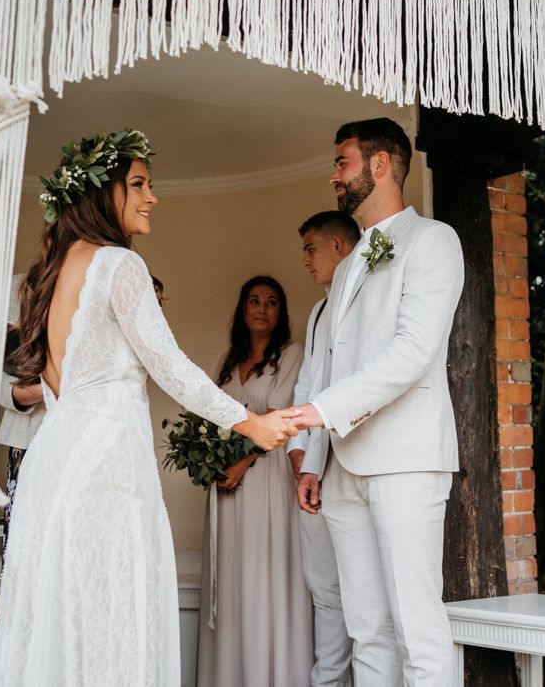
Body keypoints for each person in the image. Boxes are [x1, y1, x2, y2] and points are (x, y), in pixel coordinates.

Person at [0, 129, 297, 686]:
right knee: (110, 620)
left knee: (60, 622)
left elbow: (57, 389)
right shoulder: (118, 265)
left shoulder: (52, 274)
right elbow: (170, 365)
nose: (152, 197)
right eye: (139, 185)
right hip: (105, 467)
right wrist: (250, 421)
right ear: (104, 193)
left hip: (51, 464)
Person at [291, 118, 465, 686]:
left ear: (380, 165)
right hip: (343, 469)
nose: (334, 175)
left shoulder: (433, 241)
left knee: (417, 626)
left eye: (343, 163)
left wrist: (322, 413)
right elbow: (328, 367)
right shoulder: (347, 269)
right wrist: (315, 459)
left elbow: (413, 353)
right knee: (367, 631)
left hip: (406, 460)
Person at [197, 276, 312, 687]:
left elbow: (284, 417)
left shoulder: (291, 354)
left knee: (266, 570)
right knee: (230, 574)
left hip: (267, 476)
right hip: (226, 485)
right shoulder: (227, 361)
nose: (262, 309)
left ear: (281, 312)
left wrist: (242, 462)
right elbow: (210, 417)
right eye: (254, 301)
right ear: (242, 310)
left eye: (272, 302)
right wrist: (210, 463)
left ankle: (275, 674)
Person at [286, 210, 359, 687]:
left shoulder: (363, 299)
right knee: (324, 592)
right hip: (313, 470)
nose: (305, 260)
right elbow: (309, 384)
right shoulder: (316, 312)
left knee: (366, 595)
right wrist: (297, 448)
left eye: (311, 249)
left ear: (337, 246)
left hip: (353, 462)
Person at [0, 276, 46, 546]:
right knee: (25, 545)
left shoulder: (107, 280)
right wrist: (24, 393)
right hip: (29, 437)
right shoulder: (19, 287)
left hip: (94, 435)